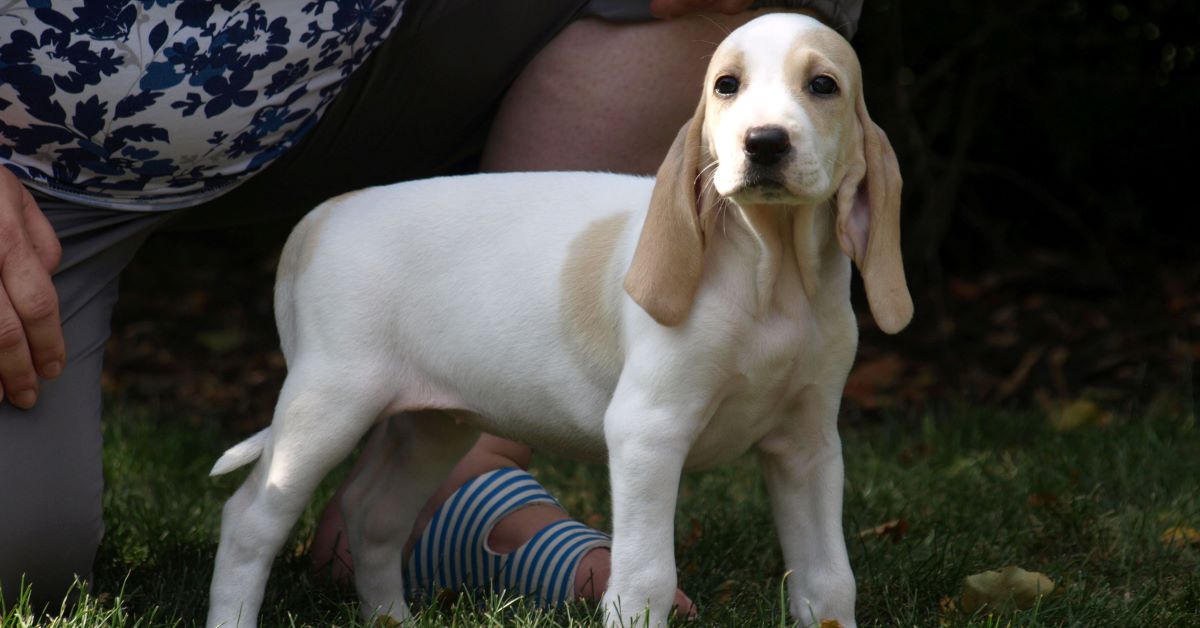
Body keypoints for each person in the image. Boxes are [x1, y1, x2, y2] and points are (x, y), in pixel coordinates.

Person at [0, 0, 861, 614]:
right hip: (49, 166)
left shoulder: (825, 277)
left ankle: (408, 554)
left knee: (424, 438)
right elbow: (644, 432)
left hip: (364, 56)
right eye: (735, 90)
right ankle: (237, 598)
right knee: (33, 550)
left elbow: (808, 446)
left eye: (819, 88)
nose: (770, 120)